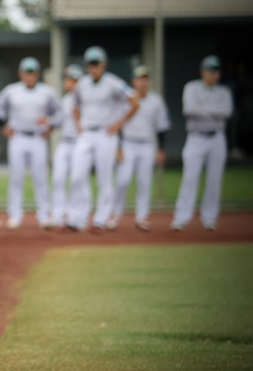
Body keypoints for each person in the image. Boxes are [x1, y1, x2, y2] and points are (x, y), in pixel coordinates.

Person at [67, 46, 139, 233]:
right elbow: (74, 105)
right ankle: (78, 218)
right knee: (77, 175)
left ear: (103, 65)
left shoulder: (113, 82)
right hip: (86, 134)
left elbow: (134, 101)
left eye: (96, 64)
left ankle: (100, 219)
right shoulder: (82, 84)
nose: (93, 68)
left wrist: (119, 124)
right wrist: (78, 126)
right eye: (90, 64)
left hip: (106, 134)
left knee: (104, 178)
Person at [0, 57, 61, 230]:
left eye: (32, 73)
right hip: (18, 137)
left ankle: (44, 215)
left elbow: (60, 113)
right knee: (16, 177)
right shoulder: (11, 91)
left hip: (38, 138)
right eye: (26, 73)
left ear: (37, 75)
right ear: (20, 74)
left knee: (41, 178)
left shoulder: (47, 92)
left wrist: (50, 125)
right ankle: (15, 214)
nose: (29, 77)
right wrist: (3, 127)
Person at [172, 55, 234, 231]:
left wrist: (203, 109)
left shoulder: (224, 91)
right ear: (202, 72)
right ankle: (181, 218)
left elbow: (227, 112)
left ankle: (209, 218)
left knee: (214, 179)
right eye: (210, 70)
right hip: (196, 137)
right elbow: (190, 110)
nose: (213, 74)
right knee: (190, 178)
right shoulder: (191, 87)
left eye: (216, 71)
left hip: (217, 137)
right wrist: (214, 112)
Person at [109, 66, 171, 231]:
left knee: (144, 182)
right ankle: (115, 215)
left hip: (148, 143)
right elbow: (118, 125)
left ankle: (142, 217)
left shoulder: (156, 100)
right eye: (138, 79)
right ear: (133, 82)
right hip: (128, 142)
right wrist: (119, 147)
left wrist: (161, 149)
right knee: (122, 180)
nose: (142, 82)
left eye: (144, 79)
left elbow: (162, 127)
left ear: (148, 81)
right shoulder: (125, 100)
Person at [48, 64, 84, 229]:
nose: (68, 82)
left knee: (78, 181)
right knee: (58, 178)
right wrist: (47, 122)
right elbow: (59, 120)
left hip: (80, 142)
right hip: (65, 141)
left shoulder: (86, 99)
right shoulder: (66, 99)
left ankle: (79, 217)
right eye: (67, 79)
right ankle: (58, 215)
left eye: (72, 79)